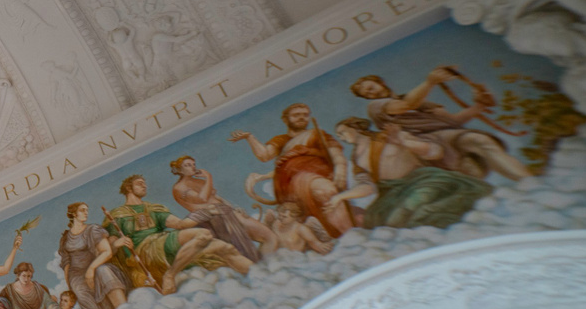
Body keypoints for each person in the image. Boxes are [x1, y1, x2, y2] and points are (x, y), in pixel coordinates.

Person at [350, 71, 534, 181]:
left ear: (380, 82)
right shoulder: (375, 107)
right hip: (424, 143)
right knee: (473, 170)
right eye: (366, 94)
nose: (371, 94)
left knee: (480, 142)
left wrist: (479, 105)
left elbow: (452, 122)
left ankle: (528, 182)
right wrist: (431, 81)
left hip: (447, 136)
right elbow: (407, 105)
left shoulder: (417, 100)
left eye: (371, 88)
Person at [333, 117, 492, 229]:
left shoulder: (389, 135)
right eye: (338, 135)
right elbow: (368, 187)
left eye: (343, 132)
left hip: (422, 179)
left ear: (356, 127)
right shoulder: (356, 158)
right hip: (390, 192)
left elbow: (435, 152)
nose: (341, 137)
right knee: (381, 222)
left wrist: (404, 142)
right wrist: (341, 197)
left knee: (408, 209)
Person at [103, 175, 250, 292]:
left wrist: (207, 212)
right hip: (146, 251)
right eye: (140, 183)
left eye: (145, 183)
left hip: (164, 244)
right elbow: (110, 248)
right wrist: (117, 244)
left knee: (225, 248)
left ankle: (257, 278)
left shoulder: (153, 209)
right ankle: (170, 275)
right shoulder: (117, 215)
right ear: (129, 188)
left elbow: (181, 224)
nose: (144, 186)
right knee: (204, 234)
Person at [229, 103, 355, 237]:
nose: (302, 118)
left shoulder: (317, 134)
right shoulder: (281, 140)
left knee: (327, 193)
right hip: (290, 182)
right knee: (322, 193)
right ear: (286, 119)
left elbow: (335, 153)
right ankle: (346, 235)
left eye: (305, 115)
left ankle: (349, 235)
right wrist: (250, 137)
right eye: (296, 115)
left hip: (319, 174)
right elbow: (264, 155)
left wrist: (340, 169)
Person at [168, 156, 274, 261]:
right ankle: (263, 265)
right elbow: (202, 198)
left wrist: (234, 208)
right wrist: (208, 177)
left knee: (269, 237)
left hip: (227, 211)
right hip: (215, 218)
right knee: (262, 240)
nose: (193, 167)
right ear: (180, 170)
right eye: (187, 165)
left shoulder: (199, 181)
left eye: (193, 164)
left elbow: (217, 198)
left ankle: (266, 263)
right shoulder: (179, 187)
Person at [57, 201, 128, 309]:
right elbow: (66, 264)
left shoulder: (92, 229)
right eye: (82, 210)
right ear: (74, 214)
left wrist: (91, 269)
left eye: (87, 210)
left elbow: (107, 252)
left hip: (96, 266)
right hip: (76, 275)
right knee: (80, 291)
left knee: (104, 271)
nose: (86, 213)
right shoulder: (66, 238)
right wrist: (70, 285)